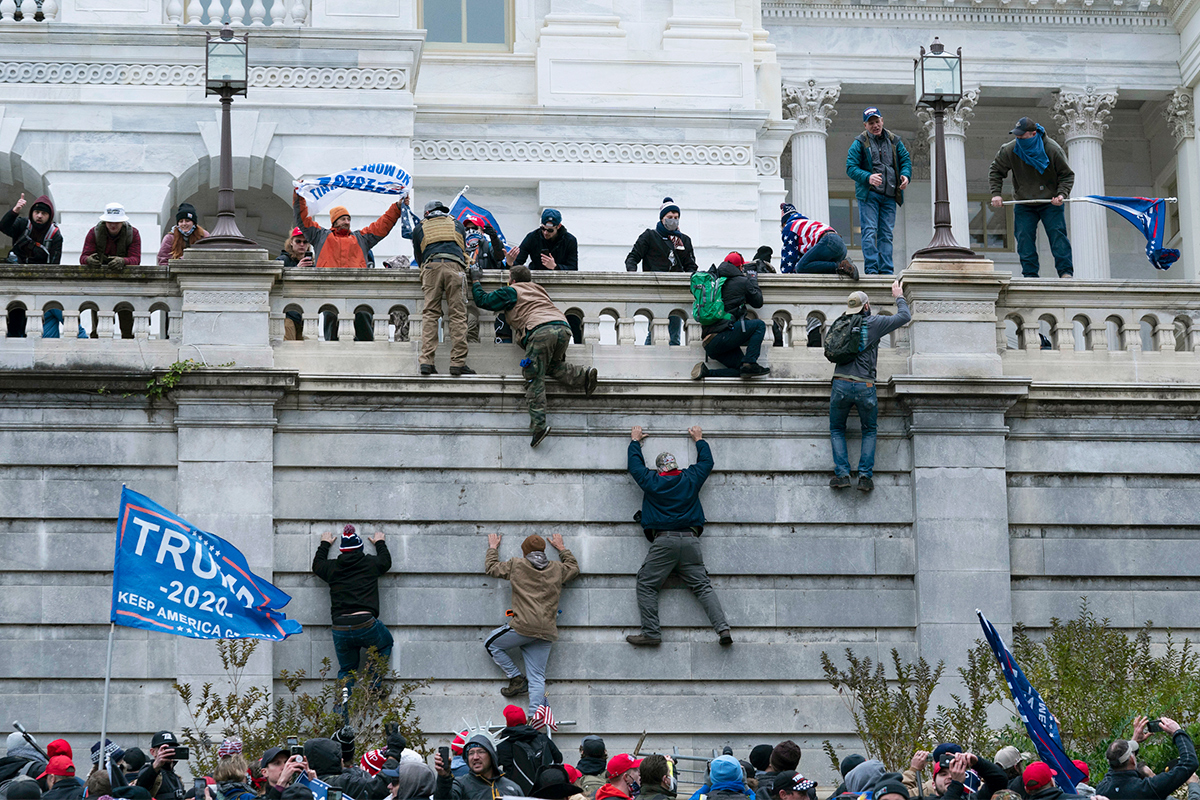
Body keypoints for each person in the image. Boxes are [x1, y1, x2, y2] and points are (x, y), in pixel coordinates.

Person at [470, 264, 599, 447]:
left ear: (512, 280)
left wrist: (475, 280)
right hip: (563, 328)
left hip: (540, 331)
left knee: (534, 376)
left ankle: (539, 426)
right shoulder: (539, 290)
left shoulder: (512, 290)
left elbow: (483, 301)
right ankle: (584, 376)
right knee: (550, 366)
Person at [626, 425, 731, 647]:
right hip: (691, 541)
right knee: (702, 587)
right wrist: (699, 440)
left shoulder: (652, 481)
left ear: (660, 470)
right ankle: (723, 629)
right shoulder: (690, 478)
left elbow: (635, 467)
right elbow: (707, 463)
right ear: (675, 466)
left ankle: (652, 633)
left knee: (646, 583)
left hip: (664, 541)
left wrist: (635, 442)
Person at [828, 282, 910, 492]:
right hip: (865, 384)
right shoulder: (874, 323)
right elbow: (904, 316)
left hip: (840, 383)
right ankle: (865, 477)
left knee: (837, 429)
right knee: (869, 430)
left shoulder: (842, 323)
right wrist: (899, 296)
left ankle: (842, 475)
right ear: (866, 306)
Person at [484, 532, 580, 709]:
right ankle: (535, 721)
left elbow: (492, 568)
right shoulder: (557, 568)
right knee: (537, 678)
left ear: (524, 552)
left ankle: (516, 678)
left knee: (491, 643)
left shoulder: (517, 565)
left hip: (523, 627)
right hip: (547, 631)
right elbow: (574, 568)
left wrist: (492, 548)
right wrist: (562, 548)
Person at [989, 117, 1075, 279]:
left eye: (1022, 136)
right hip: (1025, 202)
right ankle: (1030, 275)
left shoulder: (1051, 149)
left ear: (1033, 134)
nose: (1018, 139)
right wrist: (996, 194)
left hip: (1050, 202)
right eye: (1017, 136)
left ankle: (1065, 273)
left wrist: (1061, 194)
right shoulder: (1010, 149)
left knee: (1057, 235)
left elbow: (1067, 175)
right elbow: (995, 171)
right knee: (1023, 237)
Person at [311, 524, 393, 688]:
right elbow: (386, 561)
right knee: (385, 643)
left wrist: (325, 544)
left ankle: (341, 711)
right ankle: (373, 685)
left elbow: (317, 565)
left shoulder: (333, 567)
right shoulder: (370, 563)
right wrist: (380, 542)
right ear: (360, 548)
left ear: (342, 550)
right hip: (366, 624)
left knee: (347, 670)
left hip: (340, 627)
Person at [846, 107, 912, 275]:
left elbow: (905, 160)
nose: (875, 125)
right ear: (865, 125)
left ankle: (887, 270)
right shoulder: (859, 143)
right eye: (871, 123)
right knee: (869, 232)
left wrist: (905, 175)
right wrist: (868, 177)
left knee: (886, 234)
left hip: (889, 195)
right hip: (869, 195)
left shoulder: (894, 141)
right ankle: (872, 270)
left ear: (882, 121)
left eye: (877, 121)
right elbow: (850, 168)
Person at [412, 199, 474, 376]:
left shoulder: (420, 227)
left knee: (431, 313)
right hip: (455, 267)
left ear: (427, 213)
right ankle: (458, 363)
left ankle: (426, 362)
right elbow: (462, 248)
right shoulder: (457, 224)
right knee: (458, 315)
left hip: (432, 266)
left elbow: (419, 256)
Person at [625, 198, 697, 346]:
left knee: (674, 332)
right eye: (670, 218)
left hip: (676, 290)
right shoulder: (650, 236)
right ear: (662, 218)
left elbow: (690, 265)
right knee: (656, 330)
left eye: (676, 218)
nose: (673, 221)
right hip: (655, 288)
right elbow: (632, 258)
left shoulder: (683, 240)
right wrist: (633, 276)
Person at [692, 252, 769, 380]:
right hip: (723, 336)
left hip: (709, 342)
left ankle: (706, 373)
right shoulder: (742, 281)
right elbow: (758, 302)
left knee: (741, 370)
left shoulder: (713, 281)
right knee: (759, 325)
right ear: (740, 268)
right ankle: (750, 362)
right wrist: (752, 280)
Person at [292, 191, 402, 270]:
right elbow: (303, 219)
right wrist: (299, 197)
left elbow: (382, 226)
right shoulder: (320, 236)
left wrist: (397, 208)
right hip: (327, 289)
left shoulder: (361, 238)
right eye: (343, 219)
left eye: (348, 219)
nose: (347, 222)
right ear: (334, 222)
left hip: (355, 290)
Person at [1096, 715, 1196, 799]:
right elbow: (1189, 763)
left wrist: (1135, 741)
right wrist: (1177, 732)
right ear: (1132, 760)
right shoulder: (1145, 789)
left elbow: (1115, 767)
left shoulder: (1102, 789)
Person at [495, 705, 564, 795]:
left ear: (508, 723)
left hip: (517, 793)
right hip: (543, 790)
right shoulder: (542, 738)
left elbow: (492, 766)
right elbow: (558, 758)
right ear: (525, 721)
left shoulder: (504, 745)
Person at [432, 734, 521, 799]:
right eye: (471, 753)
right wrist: (444, 777)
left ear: (491, 756)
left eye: (481, 752)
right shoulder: (461, 785)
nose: (475, 757)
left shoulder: (512, 787)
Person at [779, 203, 857, 278]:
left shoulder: (790, 226)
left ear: (784, 223)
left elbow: (789, 256)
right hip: (840, 246)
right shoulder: (806, 224)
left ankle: (841, 266)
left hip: (829, 241)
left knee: (801, 267)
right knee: (815, 267)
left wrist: (787, 275)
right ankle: (844, 268)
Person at [462, 214, 507, 344]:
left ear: (482, 230)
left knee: (474, 332)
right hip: (465, 296)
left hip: (483, 296)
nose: (470, 231)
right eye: (467, 229)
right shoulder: (461, 247)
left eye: (474, 228)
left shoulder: (487, 246)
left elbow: (499, 256)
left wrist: (494, 237)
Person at [508, 209, 579, 272]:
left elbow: (573, 267)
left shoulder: (570, 240)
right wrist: (510, 263)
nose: (545, 233)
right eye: (543, 229)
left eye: (550, 230)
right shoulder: (532, 237)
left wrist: (555, 267)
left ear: (559, 226)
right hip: (535, 278)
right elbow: (518, 261)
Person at [1, 193, 61, 265]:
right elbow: (3, 227)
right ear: (32, 213)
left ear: (50, 216)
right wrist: (14, 211)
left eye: (44, 213)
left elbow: (55, 262)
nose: (39, 216)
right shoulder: (23, 224)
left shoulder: (54, 235)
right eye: (37, 212)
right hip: (16, 266)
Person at [81, 203, 142, 270]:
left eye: (117, 222)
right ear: (105, 221)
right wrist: (88, 260)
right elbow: (83, 257)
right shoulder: (94, 233)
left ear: (122, 221)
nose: (113, 225)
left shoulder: (132, 234)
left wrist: (123, 261)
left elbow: (136, 260)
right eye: (110, 222)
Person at [135, 732, 184, 800]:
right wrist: (156, 765)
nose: (169, 752)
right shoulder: (149, 770)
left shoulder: (175, 777)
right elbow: (140, 787)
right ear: (153, 752)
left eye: (173, 748)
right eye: (165, 749)